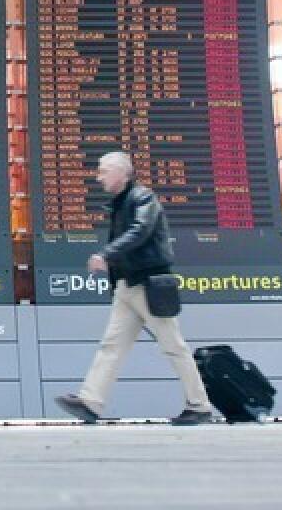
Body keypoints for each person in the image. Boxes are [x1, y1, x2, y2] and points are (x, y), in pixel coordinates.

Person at [55, 152, 213, 425]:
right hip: (128, 287)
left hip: (148, 285)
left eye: (103, 171)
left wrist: (106, 255)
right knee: (111, 346)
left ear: (121, 172)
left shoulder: (142, 198)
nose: (99, 177)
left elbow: (140, 231)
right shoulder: (120, 203)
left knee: (174, 346)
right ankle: (90, 402)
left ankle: (199, 405)